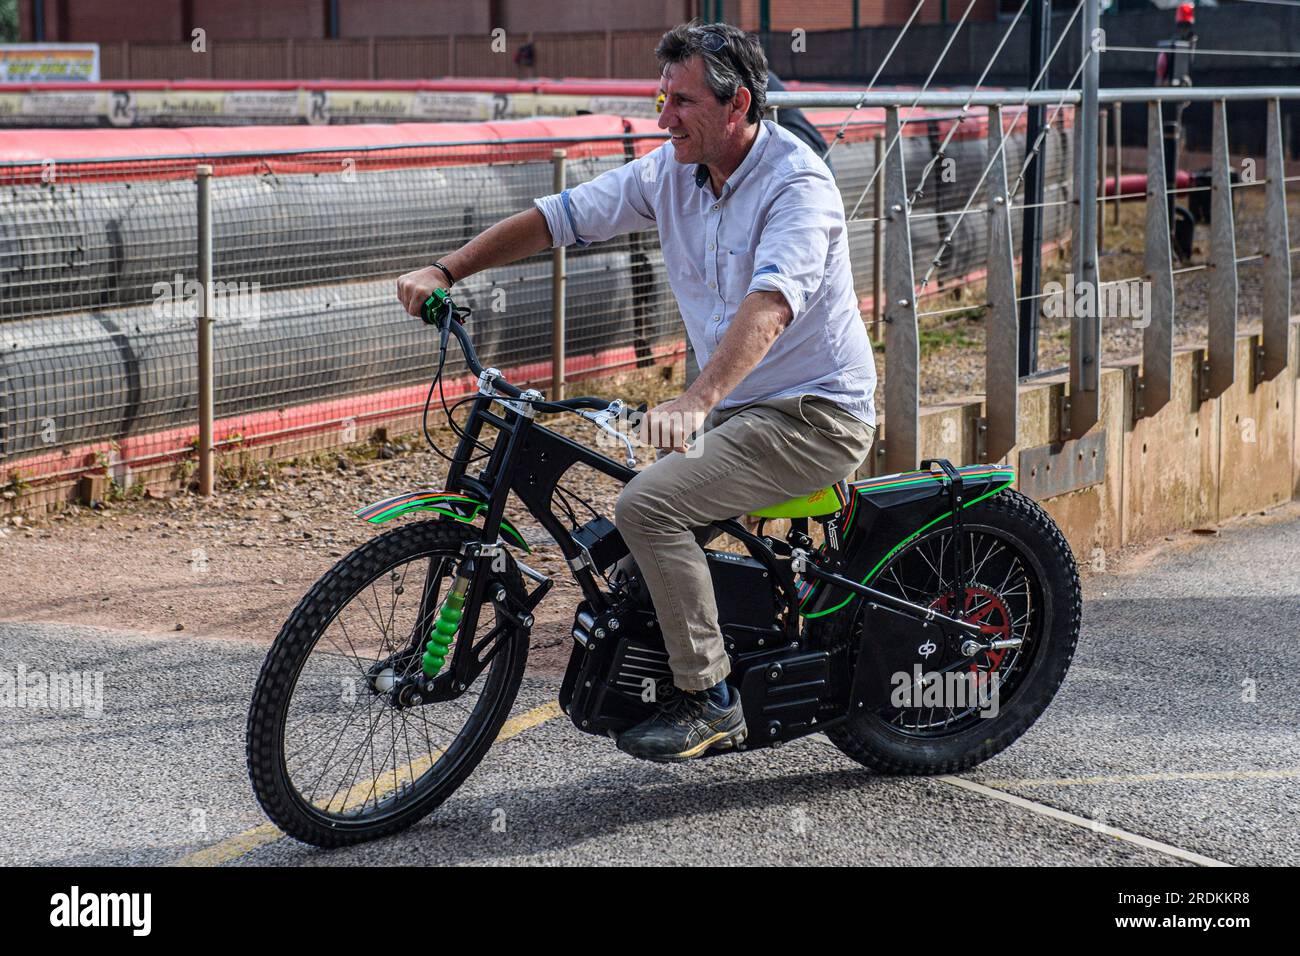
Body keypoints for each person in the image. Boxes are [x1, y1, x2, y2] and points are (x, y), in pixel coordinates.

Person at [396, 20, 877, 762]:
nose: (663, 118)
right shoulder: (671, 172)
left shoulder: (797, 183)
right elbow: (561, 217)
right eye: (663, 98)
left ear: (737, 105)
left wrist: (696, 401)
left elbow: (772, 303)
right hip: (740, 406)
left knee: (648, 505)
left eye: (682, 102)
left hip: (814, 413)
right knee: (623, 545)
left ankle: (709, 699)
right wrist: (448, 270)